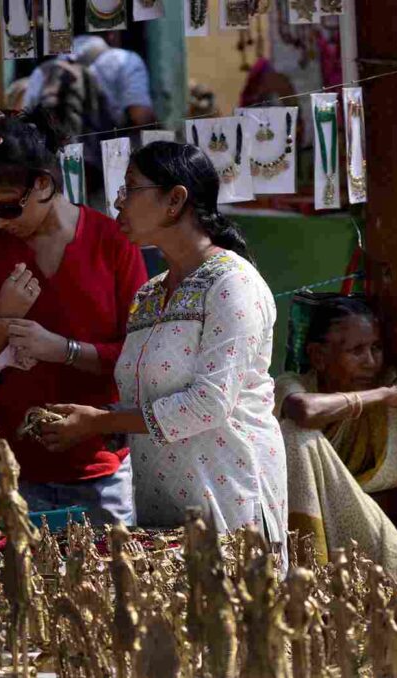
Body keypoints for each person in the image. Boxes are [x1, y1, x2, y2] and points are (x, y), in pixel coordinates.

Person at [40, 141, 288, 559]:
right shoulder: (150, 294)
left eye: (131, 187)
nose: (118, 201)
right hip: (162, 504)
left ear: (175, 200)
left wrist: (102, 421)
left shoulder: (233, 284)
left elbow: (209, 403)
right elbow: (149, 399)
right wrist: (90, 423)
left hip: (228, 498)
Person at [0, 109, 148, 526]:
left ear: (42, 183)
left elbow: (141, 359)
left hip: (99, 467)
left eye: (7, 207)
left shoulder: (112, 243)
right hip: (11, 471)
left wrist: (63, 350)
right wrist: (0, 320)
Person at [272, 296, 397, 582]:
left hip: (365, 532)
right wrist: (383, 395)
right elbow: (305, 411)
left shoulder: (388, 385)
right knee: (296, 435)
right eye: (357, 351)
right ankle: (308, 574)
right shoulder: (292, 385)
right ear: (318, 356)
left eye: (376, 348)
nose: (370, 362)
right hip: (292, 526)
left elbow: (391, 487)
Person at [24, 33, 156, 131]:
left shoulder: (43, 71)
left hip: (57, 156)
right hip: (105, 156)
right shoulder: (125, 60)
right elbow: (140, 117)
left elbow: (25, 120)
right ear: (112, 33)